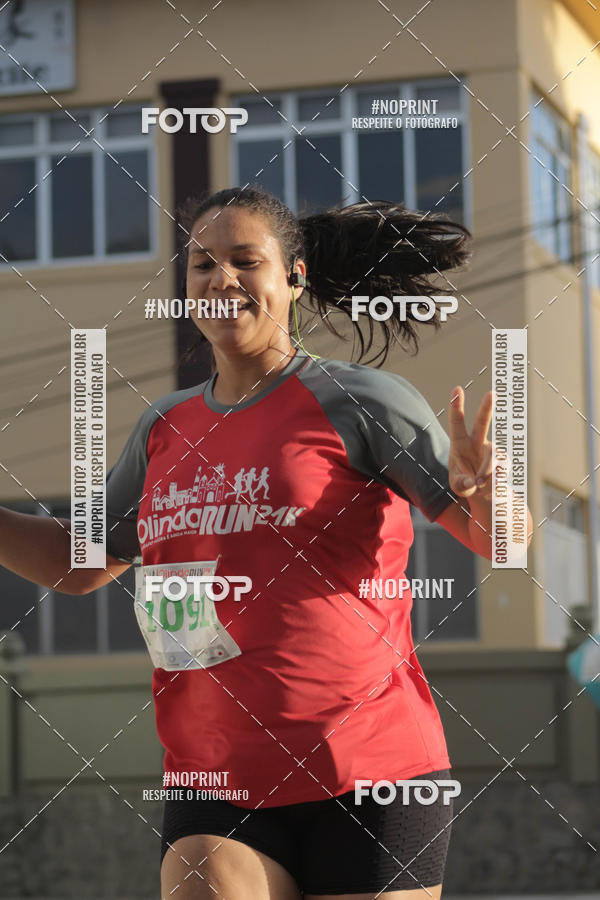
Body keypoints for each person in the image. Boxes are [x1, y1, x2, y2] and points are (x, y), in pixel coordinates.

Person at [0, 186, 532, 899]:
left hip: (369, 770)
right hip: (215, 777)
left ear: (294, 277)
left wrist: (490, 494)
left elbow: (502, 541)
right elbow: (79, 562)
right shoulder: (164, 429)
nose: (221, 279)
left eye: (245, 261)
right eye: (202, 264)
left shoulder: (361, 401)